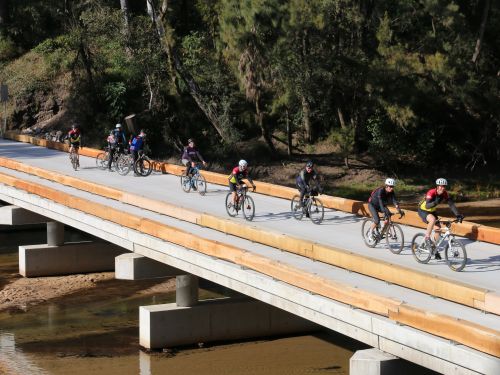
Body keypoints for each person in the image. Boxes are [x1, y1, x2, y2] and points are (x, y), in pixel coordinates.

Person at [418, 178, 464, 258]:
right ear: (437, 186)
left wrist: (458, 215)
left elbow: (451, 205)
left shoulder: (444, 193)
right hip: (423, 210)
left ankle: (433, 248)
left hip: (432, 211)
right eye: (441, 186)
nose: (443, 188)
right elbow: (427, 205)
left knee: (438, 229)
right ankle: (427, 237)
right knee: (432, 220)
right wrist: (435, 202)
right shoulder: (431, 192)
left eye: (444, 186)